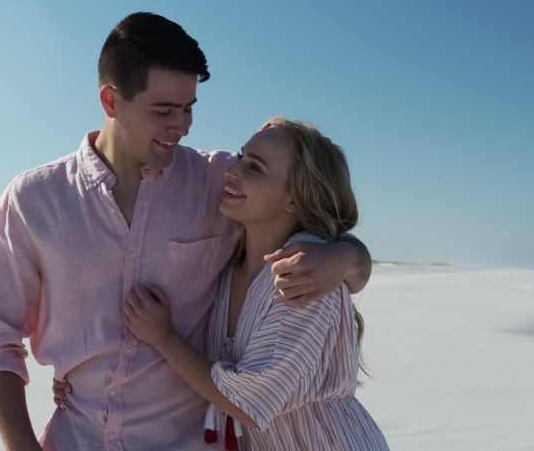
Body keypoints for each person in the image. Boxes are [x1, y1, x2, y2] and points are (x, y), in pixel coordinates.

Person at [0, 12, 373, 451]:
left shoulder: (219, 183)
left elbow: (306, 213)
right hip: (76, 439)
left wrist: (347, 256)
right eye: (163, 110)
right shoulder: (33, 201)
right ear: (110, 101)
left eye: (189, 108)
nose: (182, 125)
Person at [121, 117, 389, 450]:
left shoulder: (305, 278)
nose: (232, 171)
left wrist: (162, 337)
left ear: (294, 199)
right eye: (240, 156)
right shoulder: (230, 262)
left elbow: (247, 403)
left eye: (255, 168)